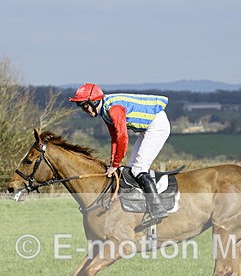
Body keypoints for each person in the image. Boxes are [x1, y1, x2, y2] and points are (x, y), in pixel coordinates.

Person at [68, 83, 170, 222]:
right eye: (81, 107)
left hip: (157, 126)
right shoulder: (104, 110)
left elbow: (122, 137)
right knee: (130, 169)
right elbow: (114, 138)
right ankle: (142, 206)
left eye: (85, 106)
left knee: (139, 169)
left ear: (94, 101)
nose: (84, 110)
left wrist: (116, 164)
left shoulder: (113, 109)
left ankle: (158, 208)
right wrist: (113, 163)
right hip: (148, 128)